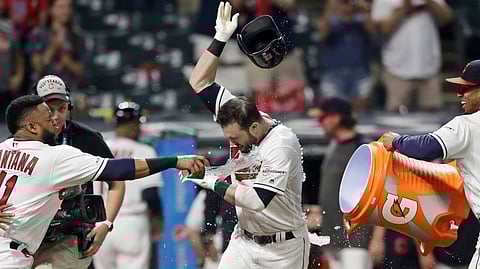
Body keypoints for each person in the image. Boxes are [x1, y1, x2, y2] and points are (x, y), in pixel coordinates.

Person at [0, 94, 208, 269]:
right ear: (32, 127)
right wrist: (174, 160)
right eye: (48, 118)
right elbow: (121, 169)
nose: (55, 120)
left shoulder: (2, 148)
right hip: (11, 257)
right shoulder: (55, 156)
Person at [184, 2, 310, 268]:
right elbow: (199, 82)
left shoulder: (282, 143)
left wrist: (211, 179)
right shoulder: (236, 112)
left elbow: (255, 200)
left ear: (254, 129)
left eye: (235, 139)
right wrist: (220, 39)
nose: (232, 145)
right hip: (243, 241)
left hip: (283, 249)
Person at [378, 59, 480, 268]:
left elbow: (428, 147)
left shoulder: (469, 124)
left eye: (466, 88)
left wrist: (397, 140)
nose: (460, 93)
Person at [22, 74, 122, 269]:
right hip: (31, 237)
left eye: (62, 108)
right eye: (49, 109)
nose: (57, 115)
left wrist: (106, 223)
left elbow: (117, 182)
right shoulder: (21, 140)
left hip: (72, 238)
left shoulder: (87, 138)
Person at [93, 101, 163, 269]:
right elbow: (151, 195)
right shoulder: (144, 151)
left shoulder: (99, 148)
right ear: (134, 125)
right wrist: (158, 221)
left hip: (101, 224)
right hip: (133, 224)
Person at [308, 97, 372, 268]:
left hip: (356, 239)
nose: (320, 123)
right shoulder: (334, 146)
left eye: (323, 118)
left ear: (335, 118)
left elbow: (377, 197)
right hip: (332, 237)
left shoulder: (362, 149)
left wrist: (378, 238)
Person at [371, 0, 452, 112]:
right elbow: (382, 29)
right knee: (396, 120)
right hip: (397, 68)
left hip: (428, 68)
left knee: (432, 119)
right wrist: (405, 7)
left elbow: (447, 18)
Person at [317, 0, 374, 111]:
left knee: (361, 112)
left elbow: (373, 31)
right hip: (333, 73)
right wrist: (330, 8)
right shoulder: (331, 21)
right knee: (333, 111)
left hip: (360, 72)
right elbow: (322, 34)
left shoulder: (361, 20)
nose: (347, 5)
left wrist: (367, 11)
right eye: (344, 2)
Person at [27, 0, 87, 88]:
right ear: (51, 10)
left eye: (69, 7)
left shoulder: (77, 37)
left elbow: (81, 71)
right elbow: (38, 68)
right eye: (61, 7)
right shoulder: (38, 34)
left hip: (68, 90)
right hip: (43, 90)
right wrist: (53, 48)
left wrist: (66, 60)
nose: (66, 11)